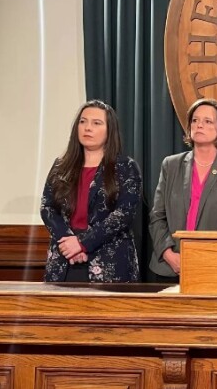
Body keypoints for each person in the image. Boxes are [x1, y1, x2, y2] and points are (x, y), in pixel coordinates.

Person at [149, 98, 217, 280]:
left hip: (214, 270)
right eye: (195, 120)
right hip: (169, 267)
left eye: (207, 121)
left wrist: (205, 259)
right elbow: (157, 216)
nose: (199, 125)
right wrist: (168, 254)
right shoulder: (171, 165)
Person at [41, 99, 142, 283]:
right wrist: (69, 242)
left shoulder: (125, 167)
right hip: (65, 258)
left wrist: (82, 243)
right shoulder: (61, 166)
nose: (88, 128)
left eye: (96, 123)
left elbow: (123, 214)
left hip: (108, 261)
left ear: (109, 130)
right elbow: (47, 207)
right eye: (83, 121)